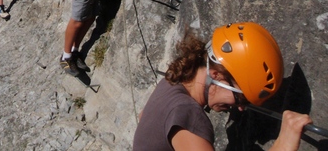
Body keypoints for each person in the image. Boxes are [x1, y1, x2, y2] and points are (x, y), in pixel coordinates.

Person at [132, 22, 314, 151]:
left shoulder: (173, 82)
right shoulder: (188, 114)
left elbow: (144, 116)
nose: (241, 108)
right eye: (240, 98)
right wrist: (284, 144)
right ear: (217, 75)